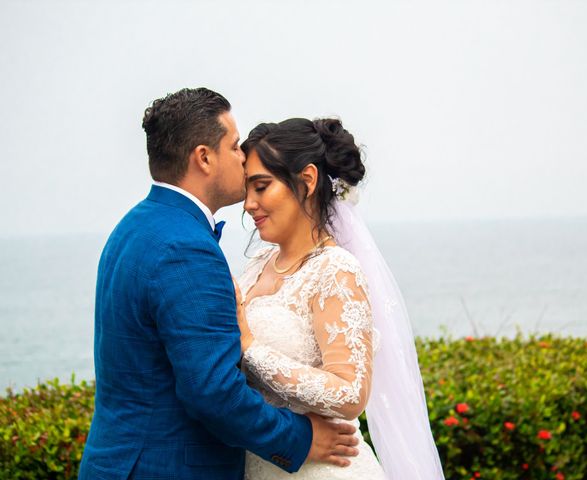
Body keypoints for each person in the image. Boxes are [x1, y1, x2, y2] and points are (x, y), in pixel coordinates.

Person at [78, 88, 359, 480]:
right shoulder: (185, 248)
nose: (242, 157)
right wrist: (302, 437)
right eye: (233, 146)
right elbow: (213, 393)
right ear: (204, 158)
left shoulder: (133, 227)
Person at [237, 118, 446, 479]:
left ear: (307, 180)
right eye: (247, 190)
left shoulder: (335, 270)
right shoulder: (255, 267)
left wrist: (252, 349)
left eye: (261, 187)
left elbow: (351, 392)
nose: (248, 204)